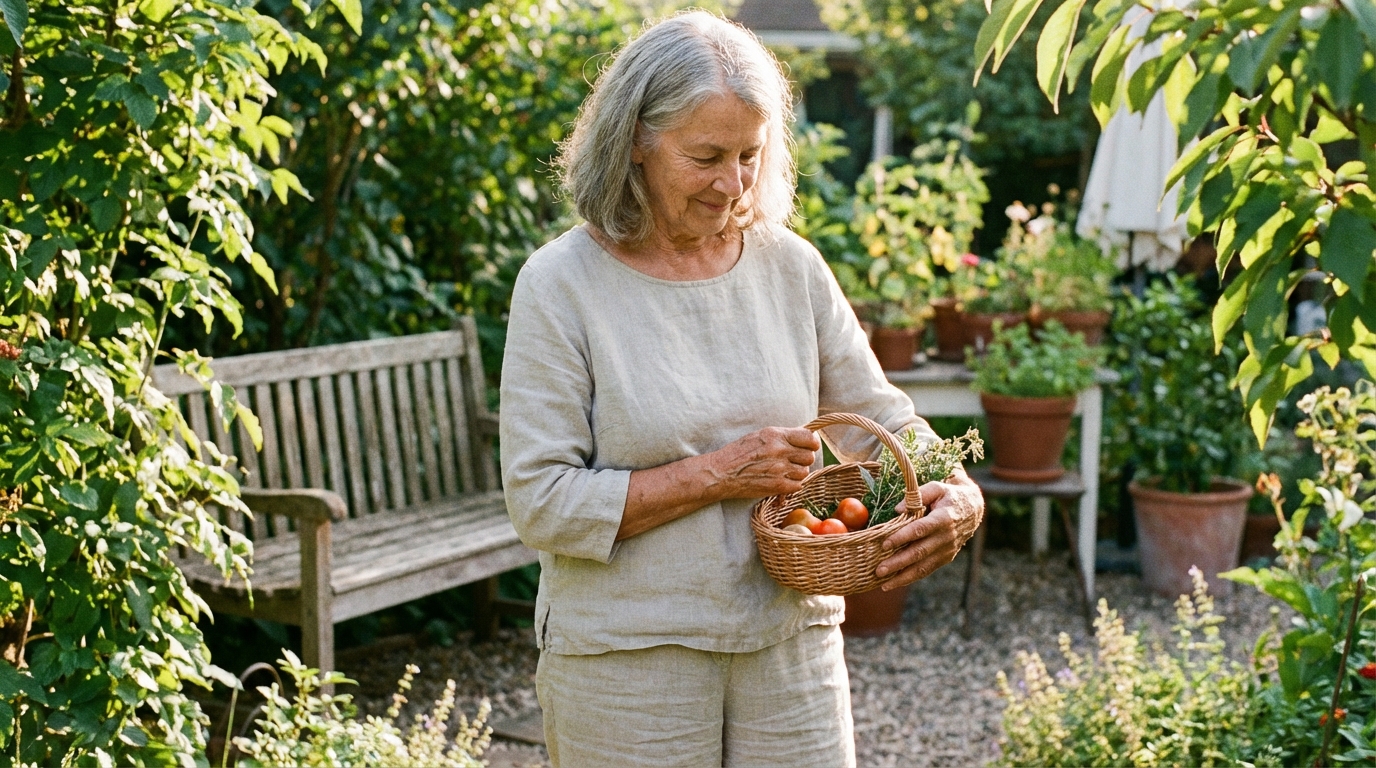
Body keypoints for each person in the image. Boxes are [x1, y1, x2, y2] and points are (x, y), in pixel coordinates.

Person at [499, 11, 984, 767]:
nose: (733, 184)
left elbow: (877, 417)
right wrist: (717, 474)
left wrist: (958, 491)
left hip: (790, 645)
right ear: (634, 140)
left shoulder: (789, 266)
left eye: (751, 156)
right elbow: (542, 501)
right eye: (706, 156)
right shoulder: (562, 285)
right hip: (626, 657)